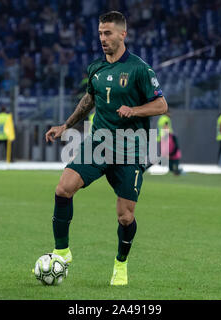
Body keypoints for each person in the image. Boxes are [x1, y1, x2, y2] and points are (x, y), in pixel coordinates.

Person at [44, 11, 168, 286]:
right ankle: (62, 253)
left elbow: (161, 105)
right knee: (63, 188)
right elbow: (89, 100)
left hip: (130, 149)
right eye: (100, 33)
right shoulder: (95, 68)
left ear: (123, 34)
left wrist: (134, 110)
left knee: (125, 216)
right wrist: (66, 125)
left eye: (108, 33)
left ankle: (120, 264)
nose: (103, 38)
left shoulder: (139, 69)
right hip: (98, 143)